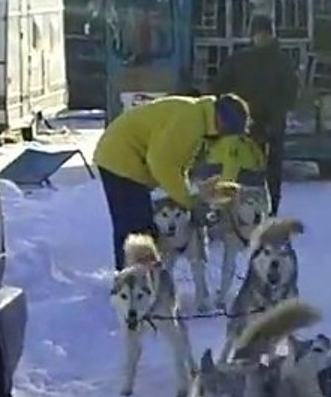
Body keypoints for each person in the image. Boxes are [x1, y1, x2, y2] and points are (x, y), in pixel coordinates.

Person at [93, 93, 250, 269]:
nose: (223, 136)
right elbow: (161, 163)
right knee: (136, 229)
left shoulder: (198, 117)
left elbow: (178, 166)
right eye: (227, 131)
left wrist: (189, 197)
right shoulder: (191, 121)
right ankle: (130, 281)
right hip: (119, 158)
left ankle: (139, 279)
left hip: (127, 159)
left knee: (143, 228)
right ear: (222, 120)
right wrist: (188, 202)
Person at [213, 14, 298, 215]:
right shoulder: (240, 60)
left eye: (265, 33)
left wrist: (276, 115)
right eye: (258, 34)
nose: (261, 38)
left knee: (272, 171)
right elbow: (220, 85)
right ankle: (240, 208)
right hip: (244, 123)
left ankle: (271, 208)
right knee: (242, 167)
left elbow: (290, 92)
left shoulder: (282, 61)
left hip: (273, 124)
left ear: (271, 34)